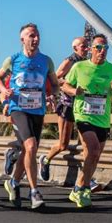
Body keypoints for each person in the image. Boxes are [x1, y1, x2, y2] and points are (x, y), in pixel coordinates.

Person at [0, 23, 59, 209]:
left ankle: (13, 182)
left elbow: (55, 84)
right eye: (31, 35)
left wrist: (52, 95)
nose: (35, 39)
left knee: (28, 151)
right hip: (18, 108)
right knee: (31, 146)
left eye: (37, 35)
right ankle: (34, 192)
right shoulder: (13, 59)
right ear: (22, 39)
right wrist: (4, 93)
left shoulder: (46, 61)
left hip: (38, 110)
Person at [62, 34, 112, 208]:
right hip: (83, 115)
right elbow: (65, 85)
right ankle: (85, 188)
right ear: (90, 49)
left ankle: (77, 187)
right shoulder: (79, 67)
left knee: (94, 156)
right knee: (93, 149)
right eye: (98, 48)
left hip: (102, 119)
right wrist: (74, 92)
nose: (102, 51)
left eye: (105, 48)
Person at [38, 37, 90, 182]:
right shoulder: (70, 61)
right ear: (75, 48)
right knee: (63, 144)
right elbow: (56, 79)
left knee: (86, 142)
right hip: (67, 106)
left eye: (87, 46)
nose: (86, 48)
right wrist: (70, 85)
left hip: (82, 107)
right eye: (83, 46)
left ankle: (87, 177)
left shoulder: (87, 63)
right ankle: (46, 160)